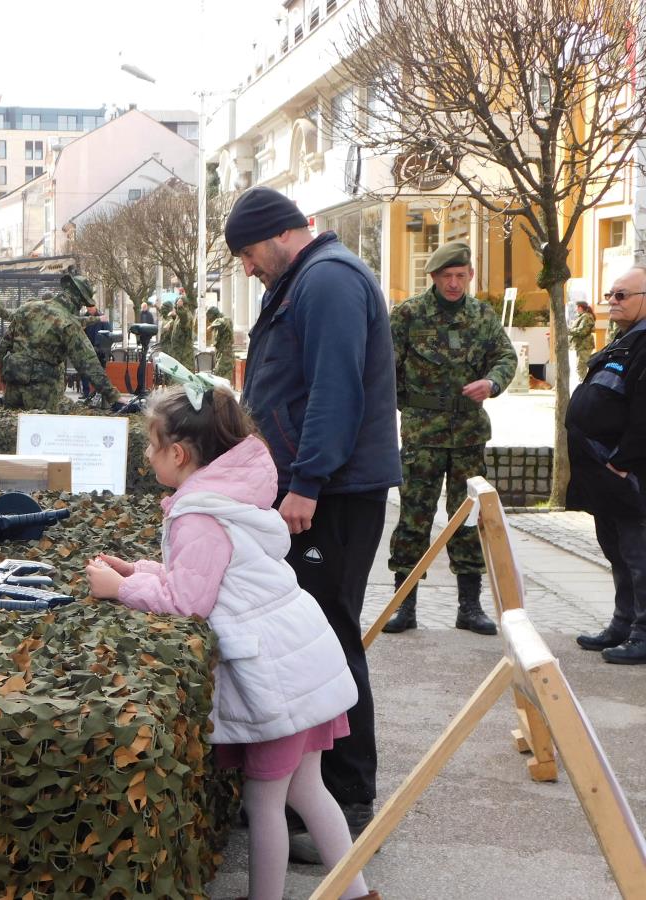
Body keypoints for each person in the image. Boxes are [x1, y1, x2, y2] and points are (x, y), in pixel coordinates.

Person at [85, 367, 378, 900]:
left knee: (265, 803)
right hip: (301, 661)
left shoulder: (197, 515)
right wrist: (140, 571)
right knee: (309, 790)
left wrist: (119, 589)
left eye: (151, 445)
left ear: (178, 454)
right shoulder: (227, 496)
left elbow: (188, 601)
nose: (146, 456)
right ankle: (357, 893)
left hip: (275, 678)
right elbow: (216, 576)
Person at [229, 185, 401, 854]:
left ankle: (348, 803)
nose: (247, 267)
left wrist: (307, 482)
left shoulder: (327, 280)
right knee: (313, 637)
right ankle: (308, 798)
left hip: (333, 493)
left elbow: (336, 389)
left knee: (329, 640)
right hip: (319, 486)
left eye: (248, 253)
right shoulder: (301, 281)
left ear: (281, 233)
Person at [384, 242, 516, 636]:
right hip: (422, 436)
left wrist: (492, 383)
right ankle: (404, 605)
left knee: (468, 518)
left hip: (468, 436)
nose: (454, 283)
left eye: (460, 276)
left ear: (470, 275)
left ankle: (469, 607)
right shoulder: (408, 315)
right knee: (414, 518)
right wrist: (406, 405)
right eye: (446, 276)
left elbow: (505, 357)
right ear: (434, 278)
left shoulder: (482, 315)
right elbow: (385, 368)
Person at [568, 266, 646, 664]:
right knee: (616, 551)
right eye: (611, 295)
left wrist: (622, 463)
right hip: (603, 474)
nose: (612, 301)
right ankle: (622, 624)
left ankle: (643, 633)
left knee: (638, 555)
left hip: (627, 474)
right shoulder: (623, 340)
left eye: (622, 295)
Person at [0, 272, 120, 411]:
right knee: (43, 424)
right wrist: (113, 395)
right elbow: (88, 363)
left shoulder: (28, 308)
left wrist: (4, 379)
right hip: (42, 392)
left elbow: (4, 345)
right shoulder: (68, 322)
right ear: (80, 301)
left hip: (13, 384)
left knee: (12, 423)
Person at [569, 300, 597, 381]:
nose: (576, 309)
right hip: (581, 345)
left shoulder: (586, 317)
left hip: (584, 345)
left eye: (577, 307)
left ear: (580, 307)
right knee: (581, 366)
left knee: (581, 366)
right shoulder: (583, 316)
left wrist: (569, 330)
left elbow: (582, 331)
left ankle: (585, 383)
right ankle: (585, 382)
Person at [207, 305, 235, 380]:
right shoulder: (218, 326)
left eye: (211, 319)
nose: (210, 321)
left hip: (226, 357)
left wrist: (212, 326)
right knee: (219, 379)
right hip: (220, 356)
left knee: (223, 380)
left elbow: (223, 322)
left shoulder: (226, 319)